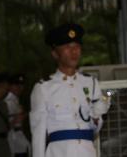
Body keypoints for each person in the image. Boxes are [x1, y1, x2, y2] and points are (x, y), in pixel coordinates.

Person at [30, 23, 110, 157]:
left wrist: (96, 117)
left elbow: (95, 131)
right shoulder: (43, 88)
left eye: (77, 46)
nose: (74, 51)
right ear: (55, 54)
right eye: (67, 47)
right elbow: (38, 137)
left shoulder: (91, 83)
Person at [5, 74, 30, 157]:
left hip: (19, 137)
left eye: (21, 85)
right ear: (10, 86)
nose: (19, 87)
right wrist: (17, 118)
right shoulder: (8, 102)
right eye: (16, 85)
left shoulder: (16, 100)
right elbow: (4, 125)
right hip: (13, 138)